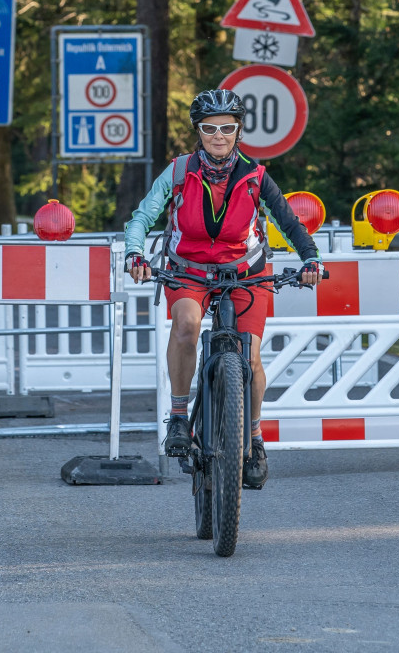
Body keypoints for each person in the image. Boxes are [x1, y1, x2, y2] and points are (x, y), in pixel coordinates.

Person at [124, 88, 323, 490]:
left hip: (245, 271)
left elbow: (289, 221)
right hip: (188, 270)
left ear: (238, 131)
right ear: (198, 132)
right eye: (210, 128)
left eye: (227, 128)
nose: (219, 135)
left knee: (248, 357)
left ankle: (254, 437)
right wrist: (134, 254)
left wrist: (310, 259)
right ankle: (179, 418)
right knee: (186, 326)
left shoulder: (255, 175)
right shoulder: (180, 171)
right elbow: (143, 215)